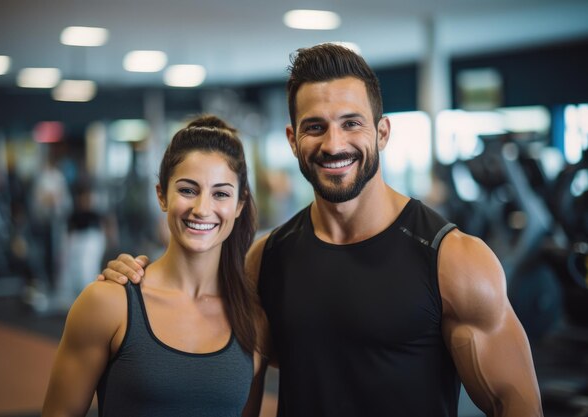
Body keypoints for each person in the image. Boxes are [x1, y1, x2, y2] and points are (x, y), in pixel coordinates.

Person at [99, 44, 543, 416]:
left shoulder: (453, 260)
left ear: (382, 132)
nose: (333, 145)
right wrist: (134, 278)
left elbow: (516, 403)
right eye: (316, 127)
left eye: (351, 123)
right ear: (293, 140)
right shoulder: (266, 259)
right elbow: (213, 357)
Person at [43, 115, 268, 417]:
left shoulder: (252, 318)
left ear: (239, 205)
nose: (202, 209)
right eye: (188, 190)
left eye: (221, 194)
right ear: (162, 195)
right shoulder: (107, 303)